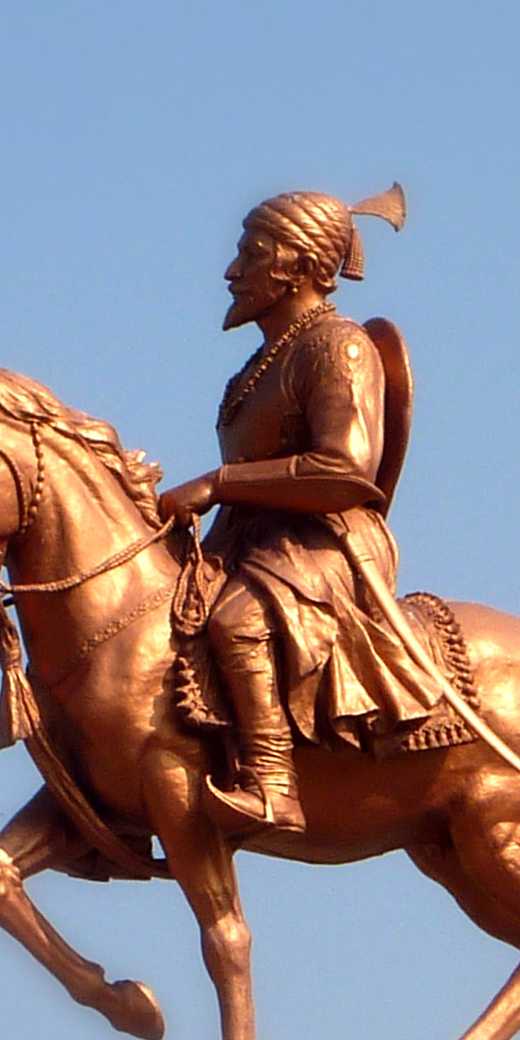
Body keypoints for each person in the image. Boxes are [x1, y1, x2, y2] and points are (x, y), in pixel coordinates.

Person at [153, 185, 466, 831]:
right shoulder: (258, 363)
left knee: (237, 621)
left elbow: (345, 469)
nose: (231, 271)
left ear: (298, 264)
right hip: (251, 539)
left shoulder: (338, 346)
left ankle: (272, 784)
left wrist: (219, 482)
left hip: (324, 540)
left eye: (250, 254)